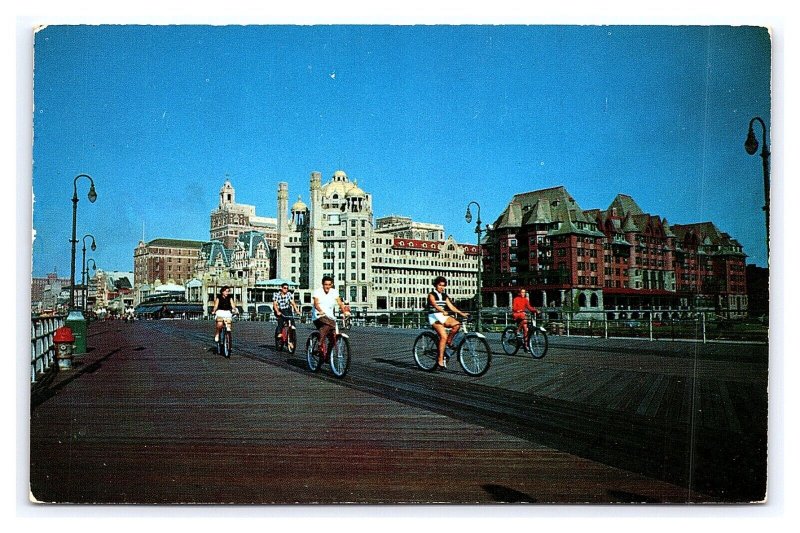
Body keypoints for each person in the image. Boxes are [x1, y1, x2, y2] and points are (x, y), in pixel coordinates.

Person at [427, 276, 469, 369]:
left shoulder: (445, 296)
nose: (442, 287)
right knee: (443, 336)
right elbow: (434, 304)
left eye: (443, 286)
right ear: (436, 285)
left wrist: (462, 313)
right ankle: (440, 359)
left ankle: (449, 341)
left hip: (442, 316)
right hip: (434, 316)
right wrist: (442, 310)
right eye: (440, 285)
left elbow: (451, 307)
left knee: (457, 324)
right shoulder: (432, 294)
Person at [311, 275, 350, 360]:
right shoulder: (318, 291)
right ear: (323, 284)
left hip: (330, 317)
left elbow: (340, 303)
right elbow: (316, 304)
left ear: (331, 284)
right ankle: (319, 344)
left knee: (333, 336)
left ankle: (328, 356)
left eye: (329, 284)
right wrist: (320, 310)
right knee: (327, 325)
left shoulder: (334, 292)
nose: (327, 287)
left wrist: (344, 311)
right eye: (325, 284)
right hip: (318, 315)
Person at [273, 282, 301, 350]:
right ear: (281, 288)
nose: (286, 289)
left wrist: (297, 310)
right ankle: (279, 332)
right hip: (279, 309)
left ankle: (291, 338)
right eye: (285, 288)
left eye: (287, 288)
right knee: (281, 320)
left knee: (291, 319)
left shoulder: (289, 294)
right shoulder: (276, 294)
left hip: (287, 310)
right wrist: (277, 311)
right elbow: (275, 304)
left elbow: (293, 303)